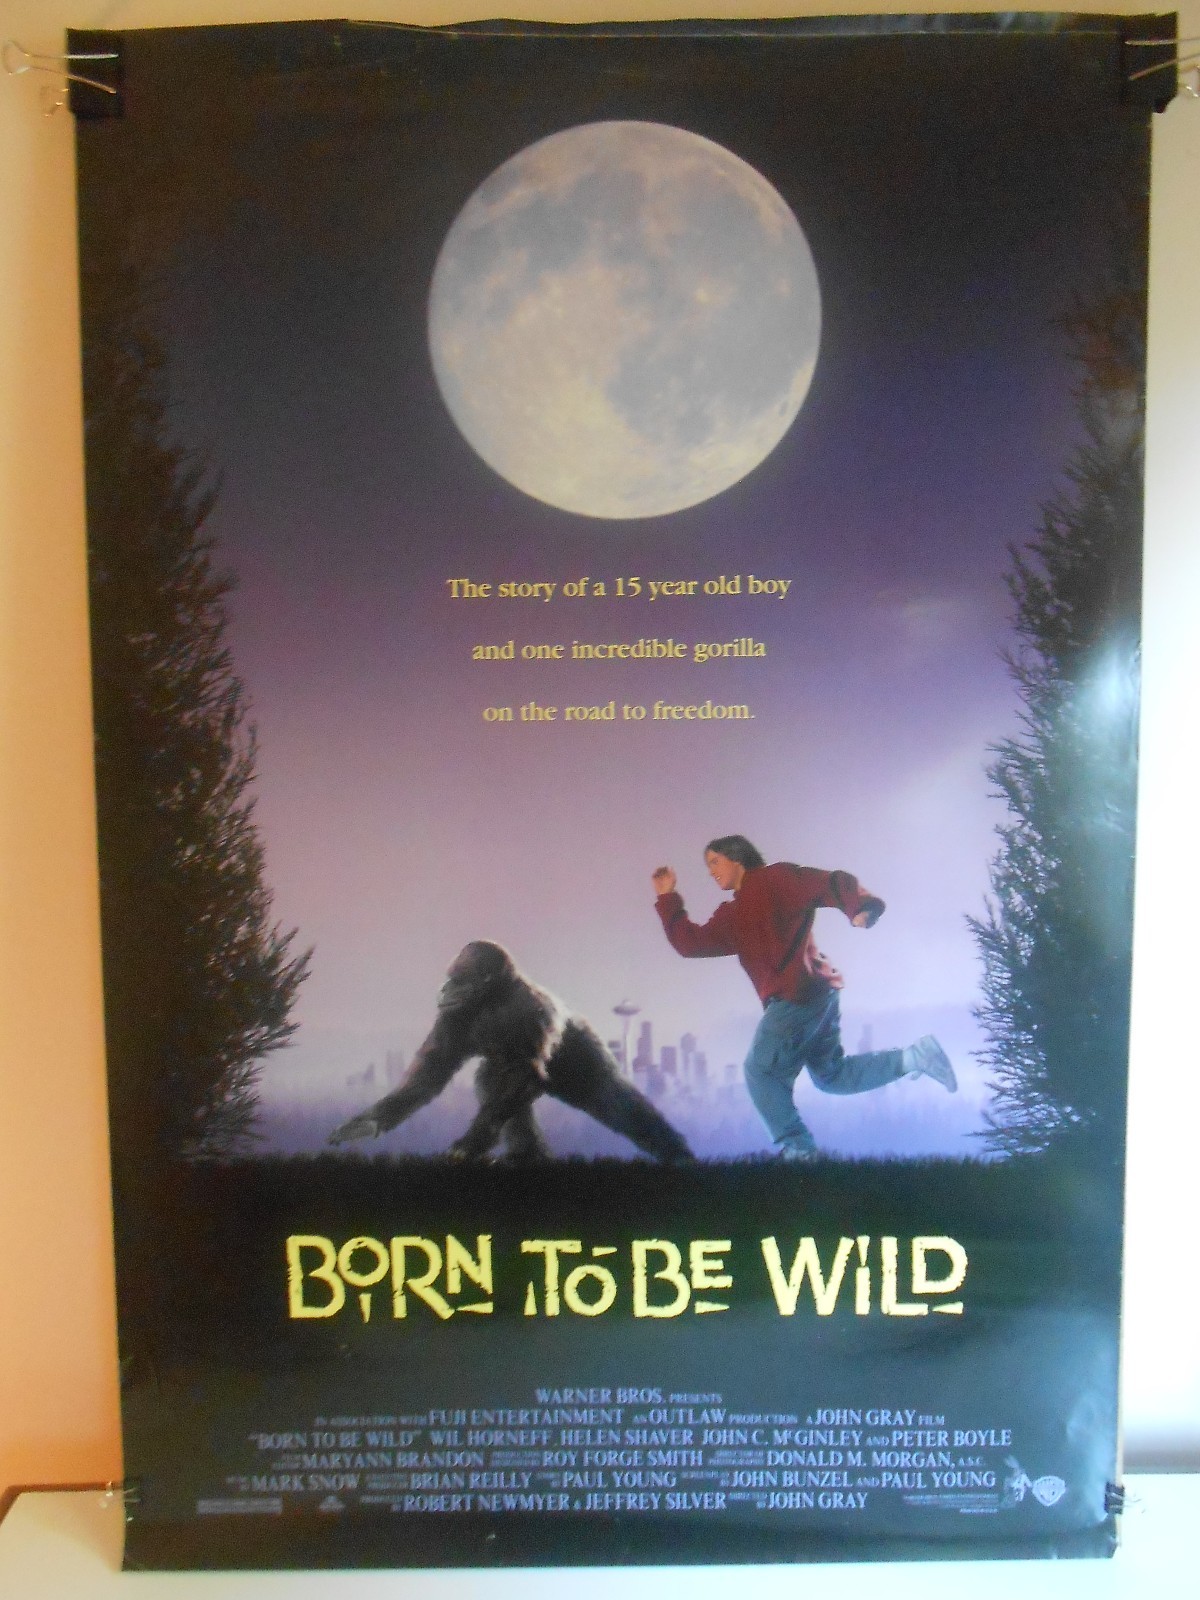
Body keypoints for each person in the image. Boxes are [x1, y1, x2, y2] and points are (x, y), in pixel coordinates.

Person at [652, 834, 956, 1160]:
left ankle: (799, 1149)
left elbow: (827, 883)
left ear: (736, 857)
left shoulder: (775, 880)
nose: (711, 871)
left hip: (795, 996)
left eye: (715, 861)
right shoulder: (732, 915)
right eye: (708, 865)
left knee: (760, 1071)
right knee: (831, 1075)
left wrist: (859, 907)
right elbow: (692, 944)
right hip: (818, 994)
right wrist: (667, 897)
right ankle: (914, 1057)